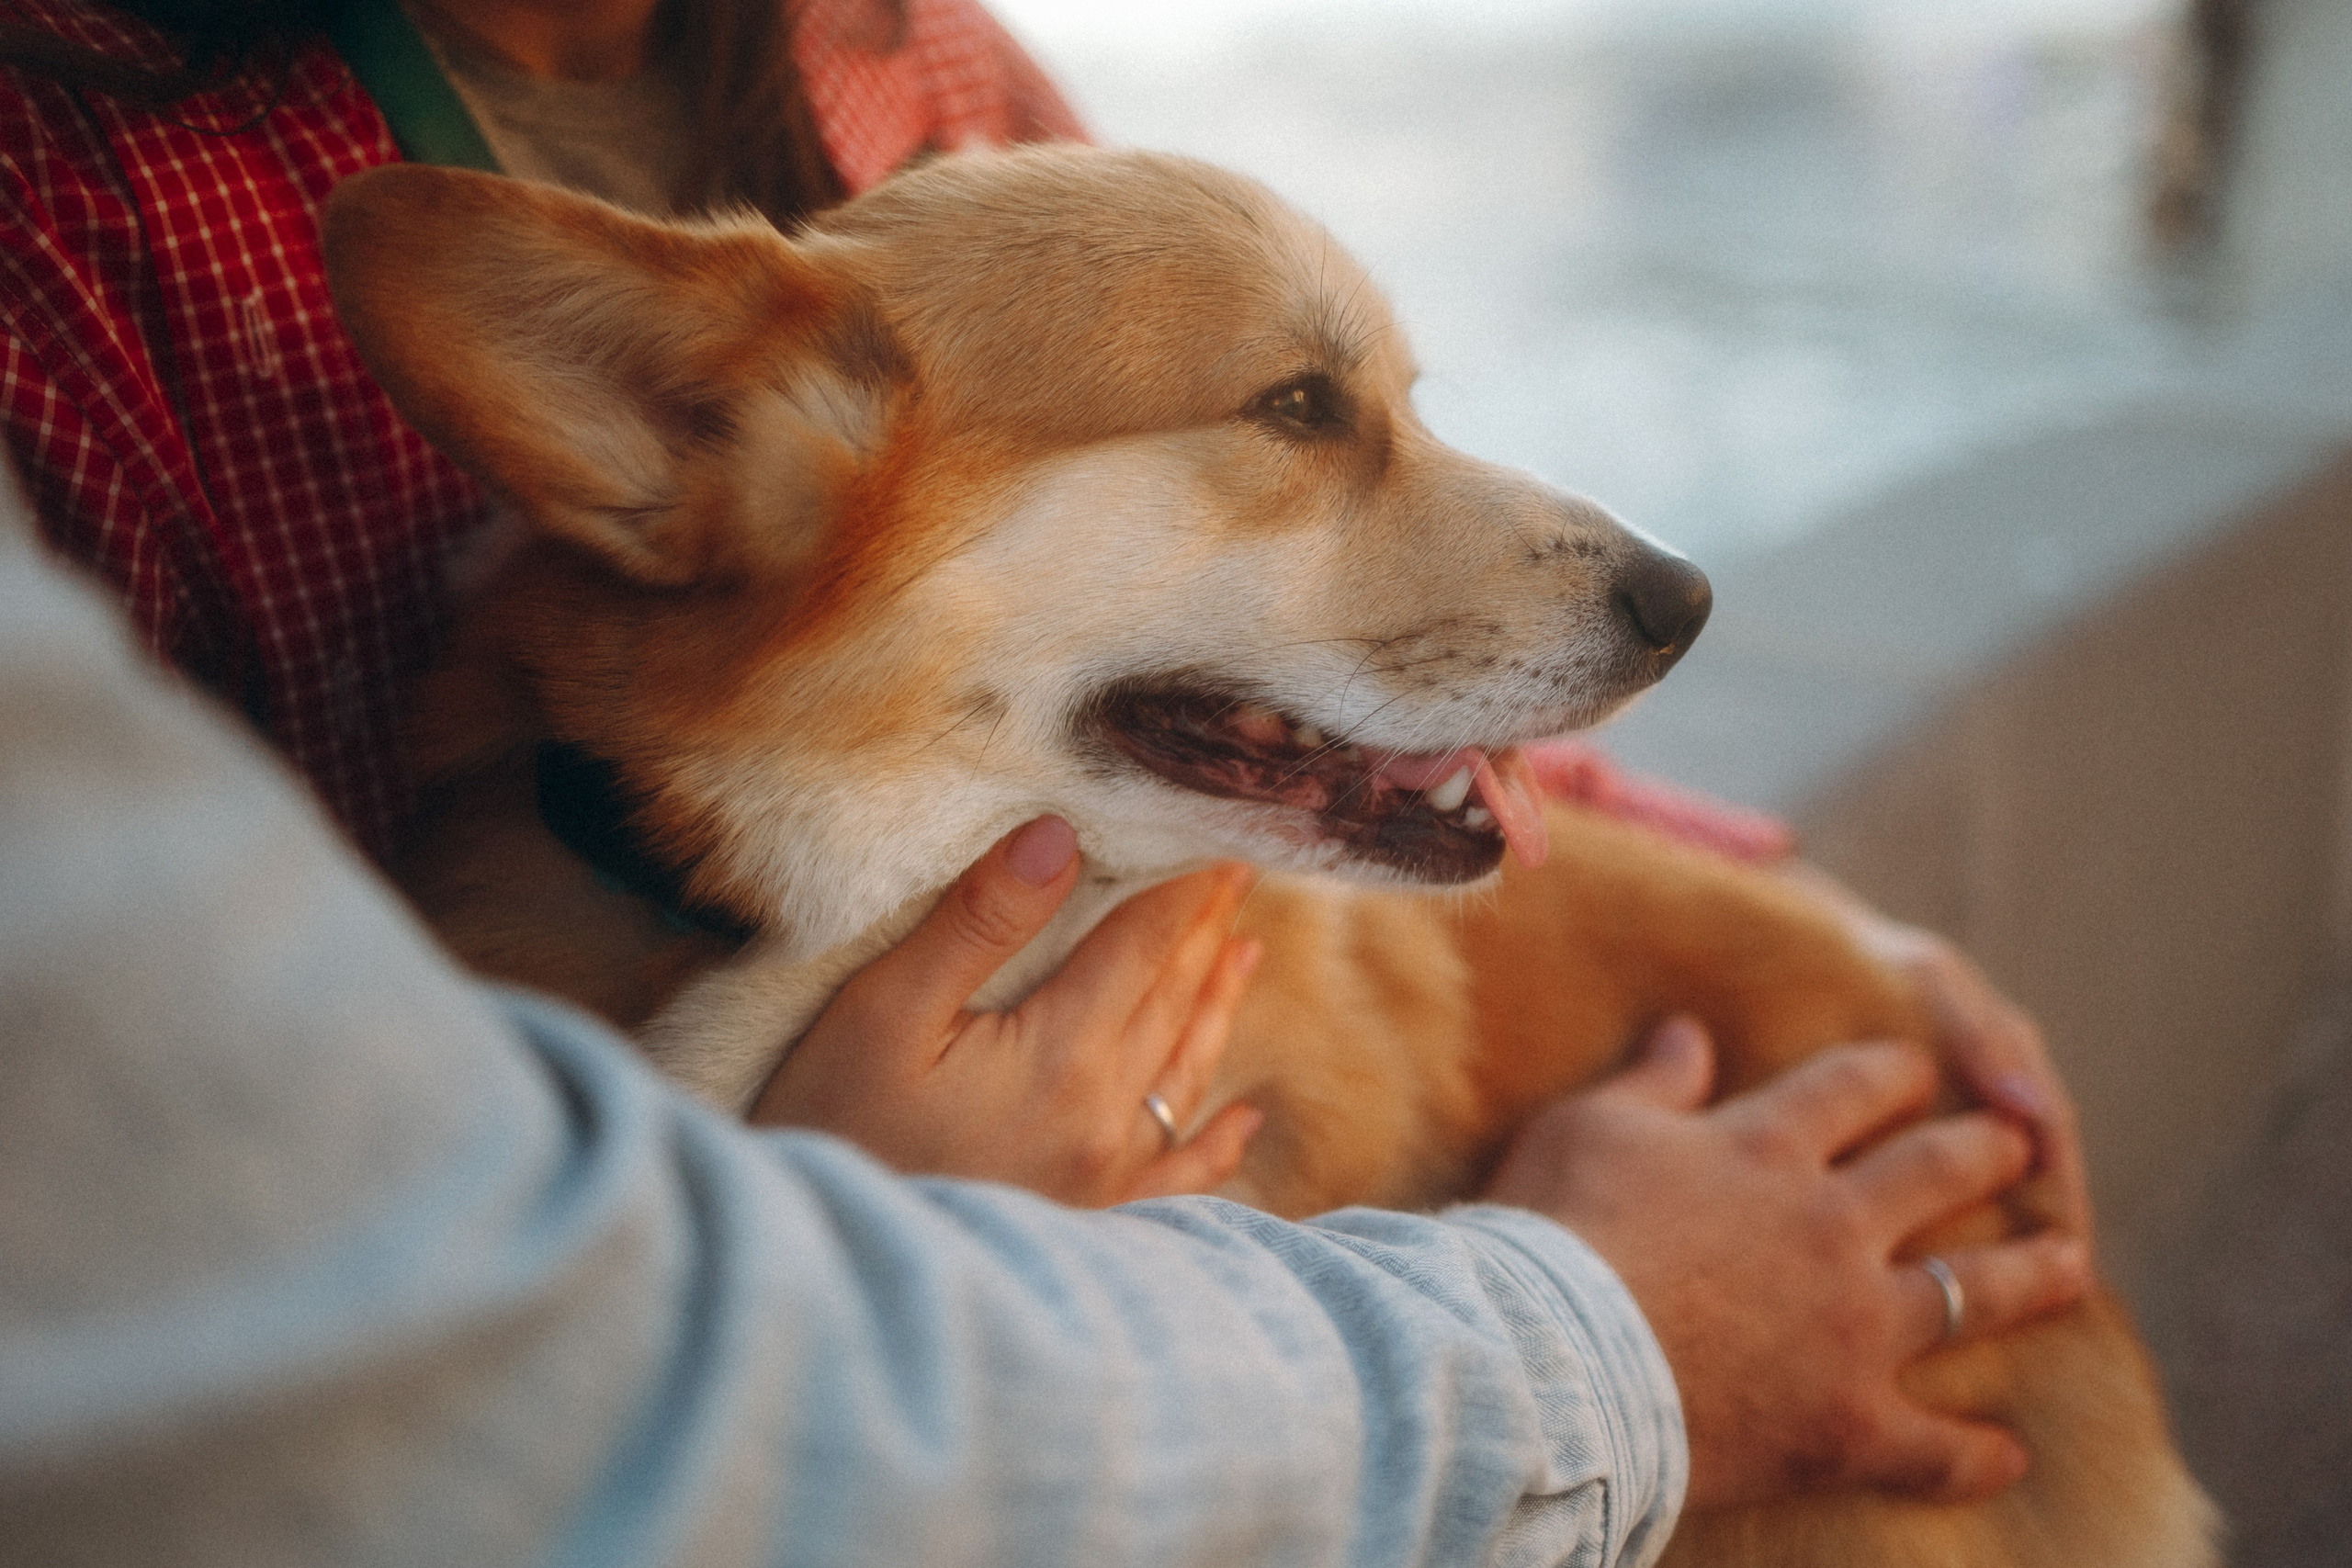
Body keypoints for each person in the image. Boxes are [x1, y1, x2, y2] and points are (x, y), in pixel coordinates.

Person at [0, 3, 2093, 1559]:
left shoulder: (895, 54)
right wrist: (848, 1207)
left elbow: (1257, 662)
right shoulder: (67, 221)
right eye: (1306, 408)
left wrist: (1810, 919)